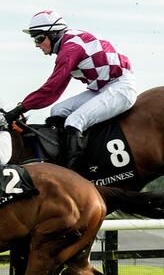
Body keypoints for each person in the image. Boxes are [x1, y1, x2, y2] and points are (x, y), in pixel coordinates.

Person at [4, 10, 137, 168]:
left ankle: (74, 171)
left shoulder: (70, 49)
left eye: (39, 38)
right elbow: (54, 92)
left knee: (75, 121)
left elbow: (52, 89)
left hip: (120, 88)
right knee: (58, 110)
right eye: (34, 39)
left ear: (54, 34)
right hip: (103, 88)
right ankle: (70, 152)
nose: (37, 44)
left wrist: (19, 109)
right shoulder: (69, 43)